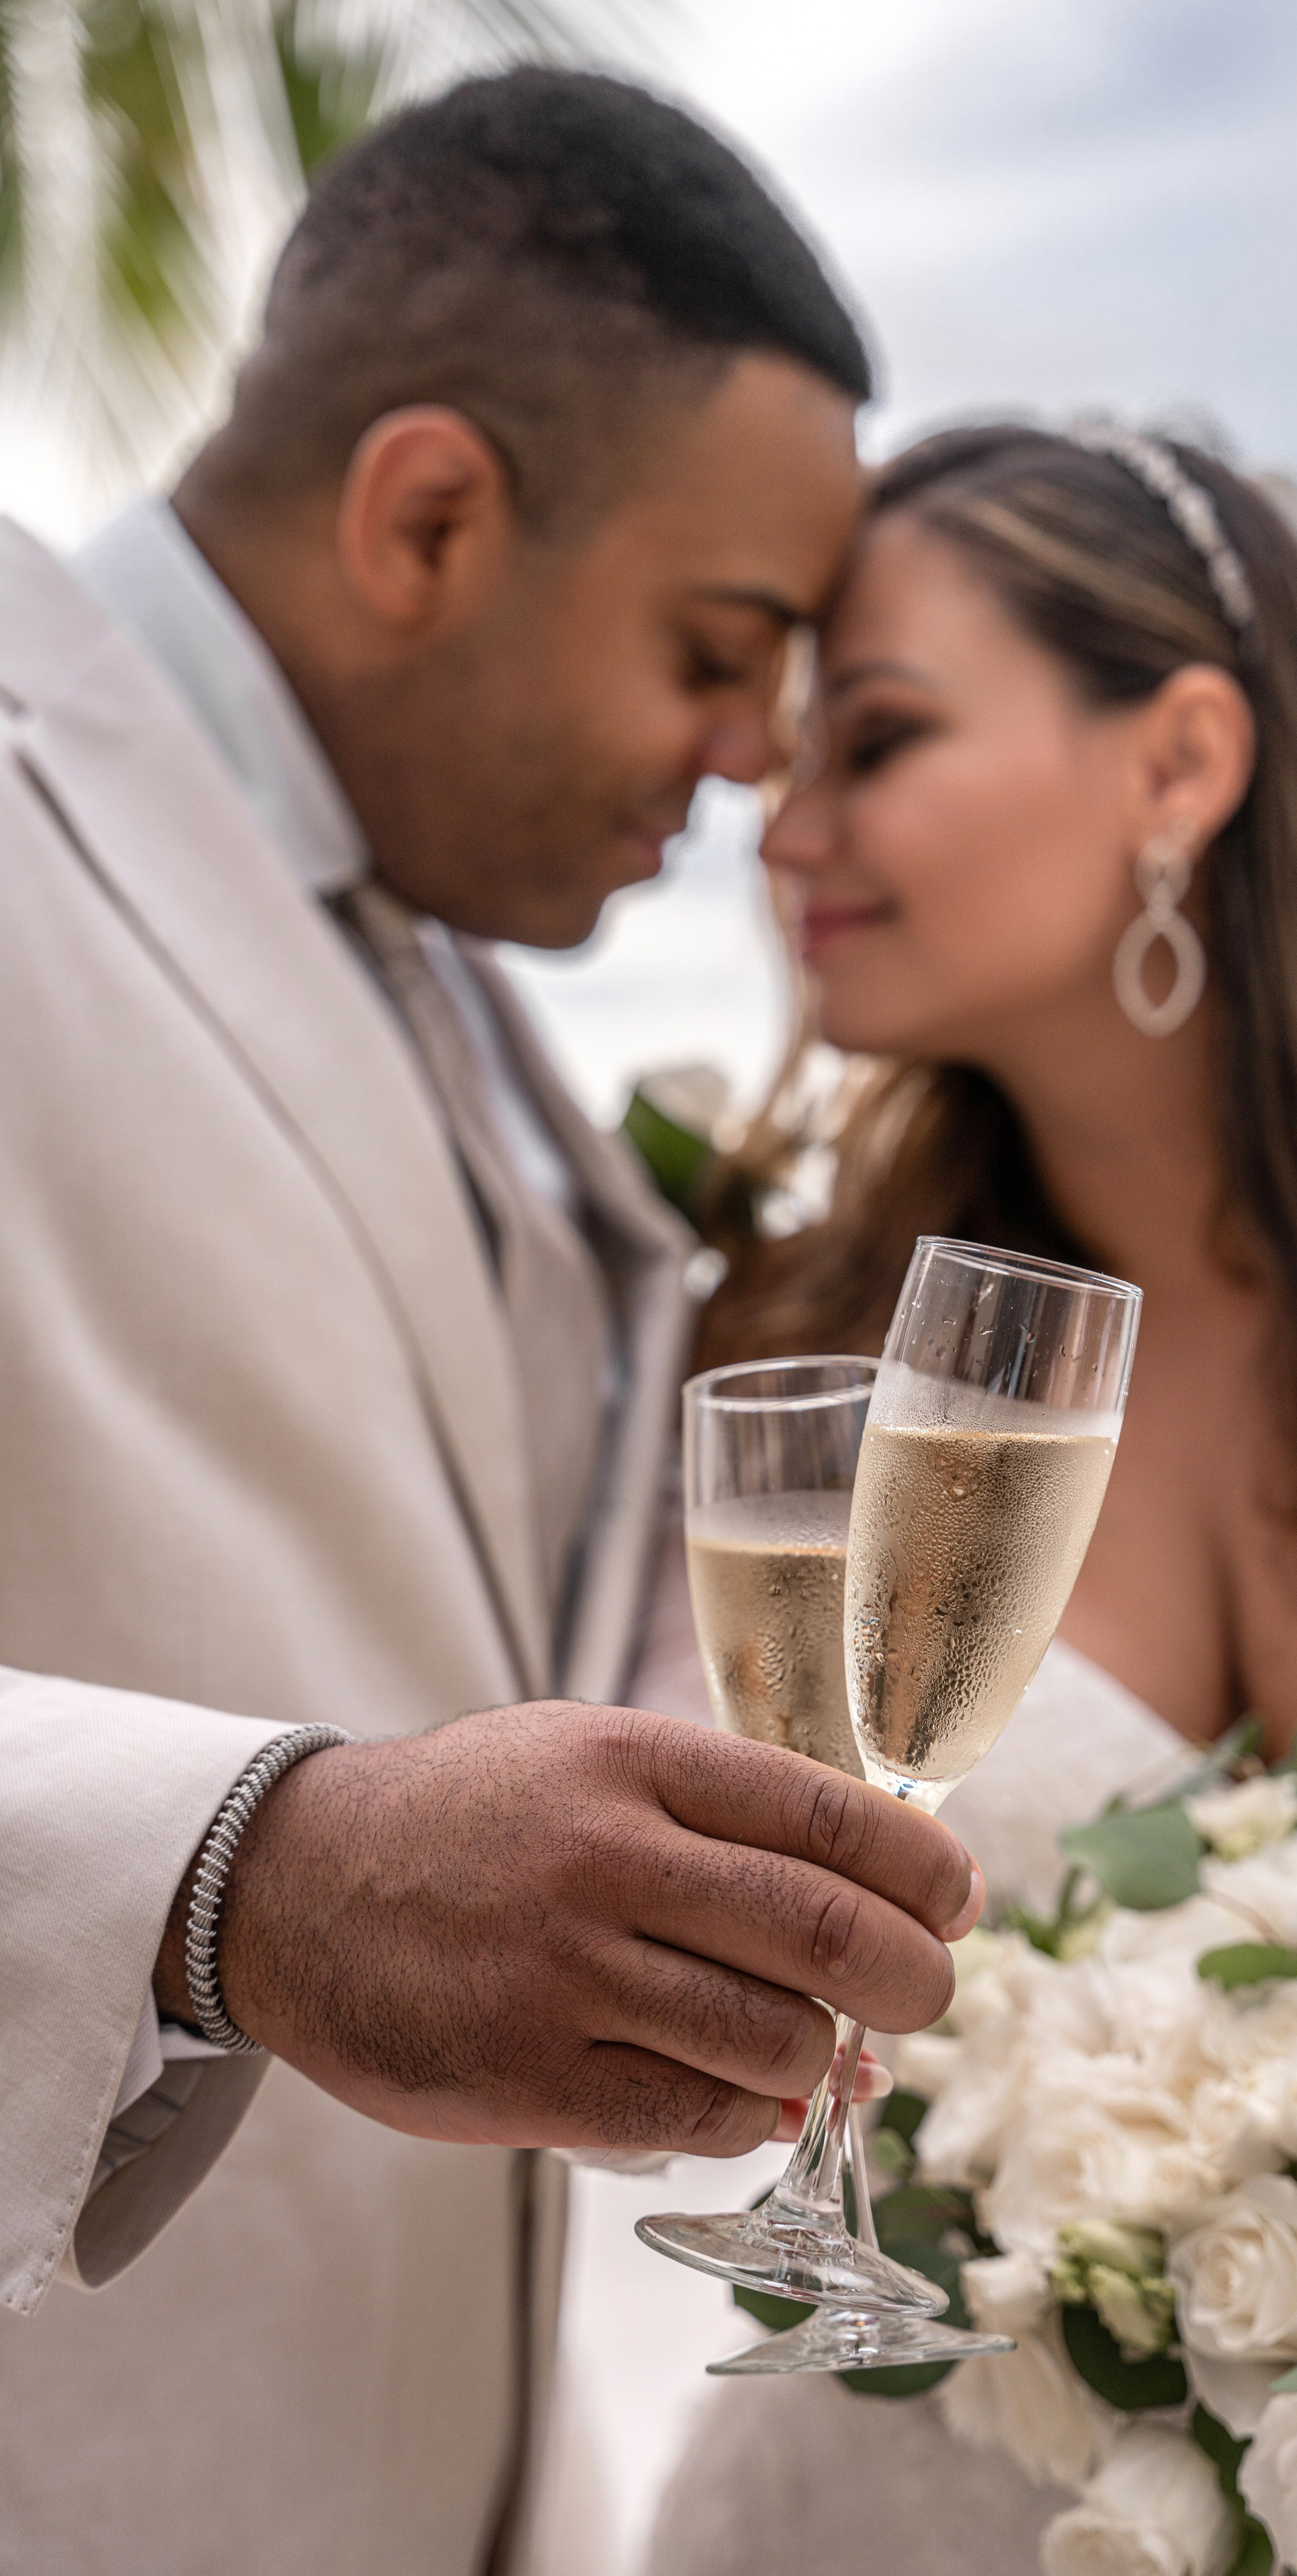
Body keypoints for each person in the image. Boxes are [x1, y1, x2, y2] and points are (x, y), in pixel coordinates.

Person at [0, 71, 982, 2576]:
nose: (760, 763)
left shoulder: (463, 995)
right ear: (428, 514)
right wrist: (247, 1880)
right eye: (719, 649)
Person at [642, 419, 1297, 2573]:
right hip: (907, 2506)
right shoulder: (793, 1348)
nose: (790, 829)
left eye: (877, 738)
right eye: (781, 764)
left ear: (1180, 760)